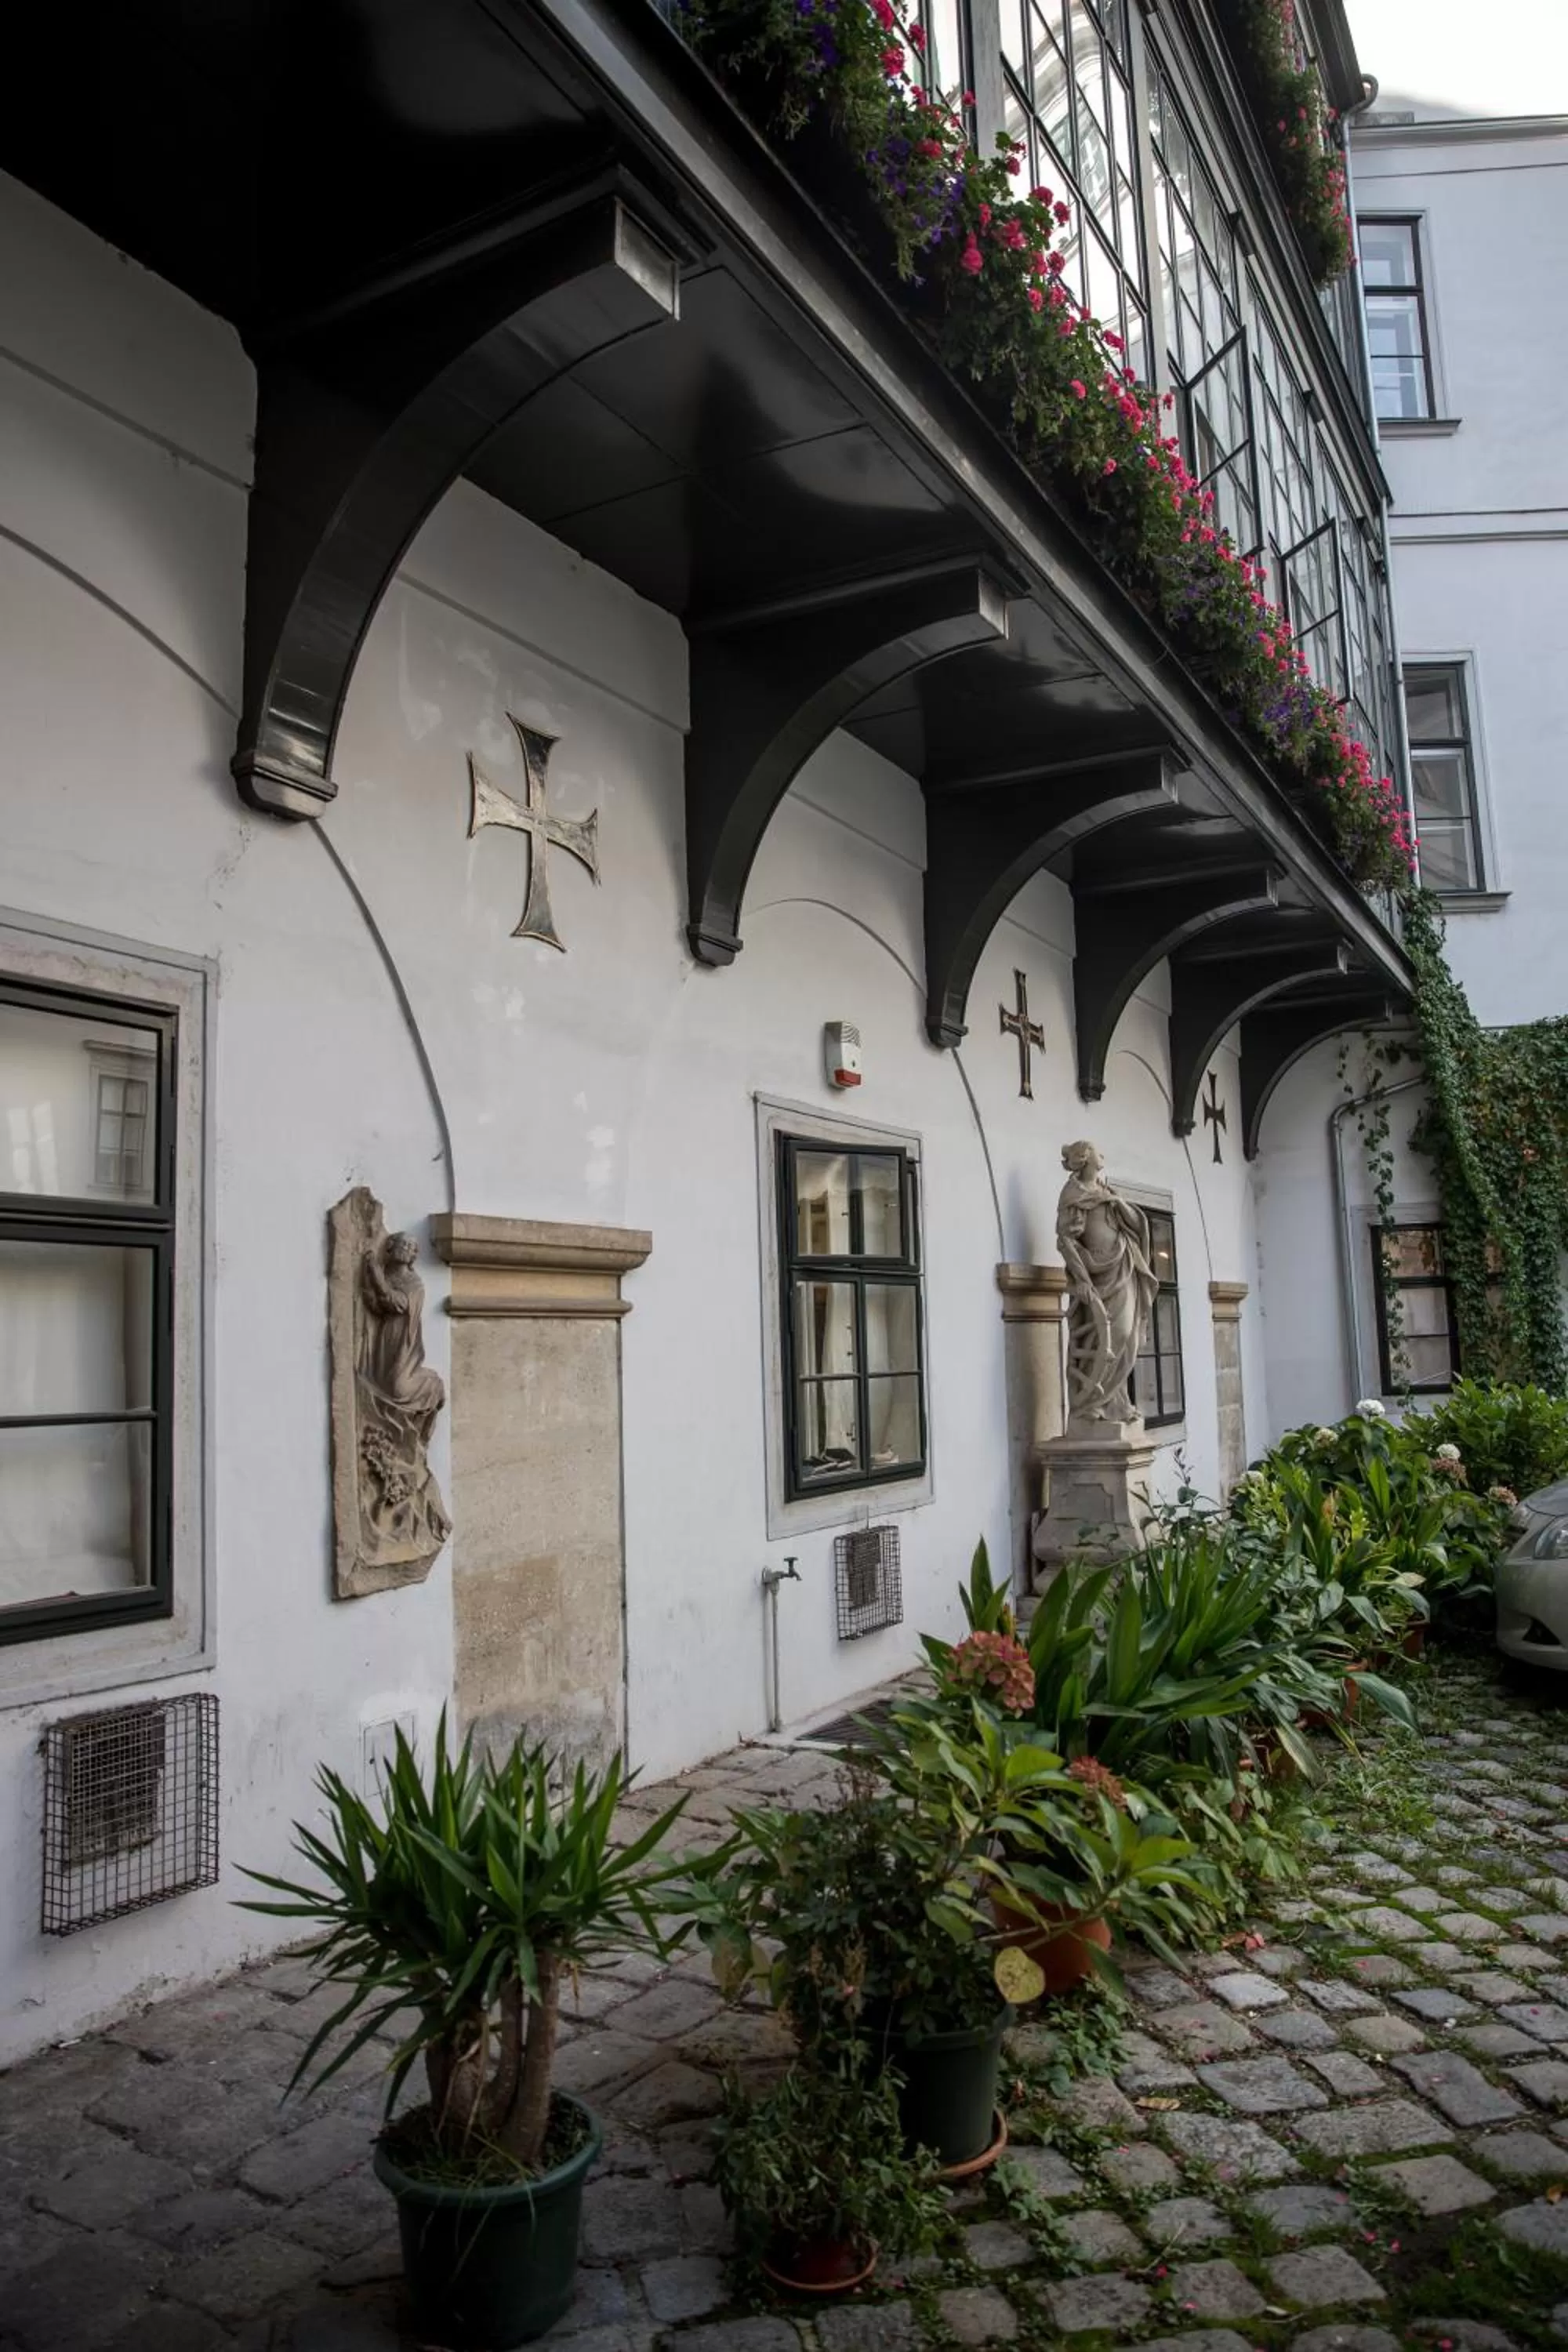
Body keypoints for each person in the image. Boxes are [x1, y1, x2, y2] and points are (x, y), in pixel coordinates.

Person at [1054, 1140, 1157, 1423]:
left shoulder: (1107, 1191)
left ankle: (1116, 1403)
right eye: (1100, 1152)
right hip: (1098, 1273)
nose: (1104, 1156)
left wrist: (1116, 1202)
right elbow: (1066, 1240)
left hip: (1122, 1266)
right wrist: (1082, 1278)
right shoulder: (1074, 1194)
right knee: (1113, 1335)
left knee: (1130, 1339)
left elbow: (1137, 1225)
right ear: (1085, 1158)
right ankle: (1091, 1403)